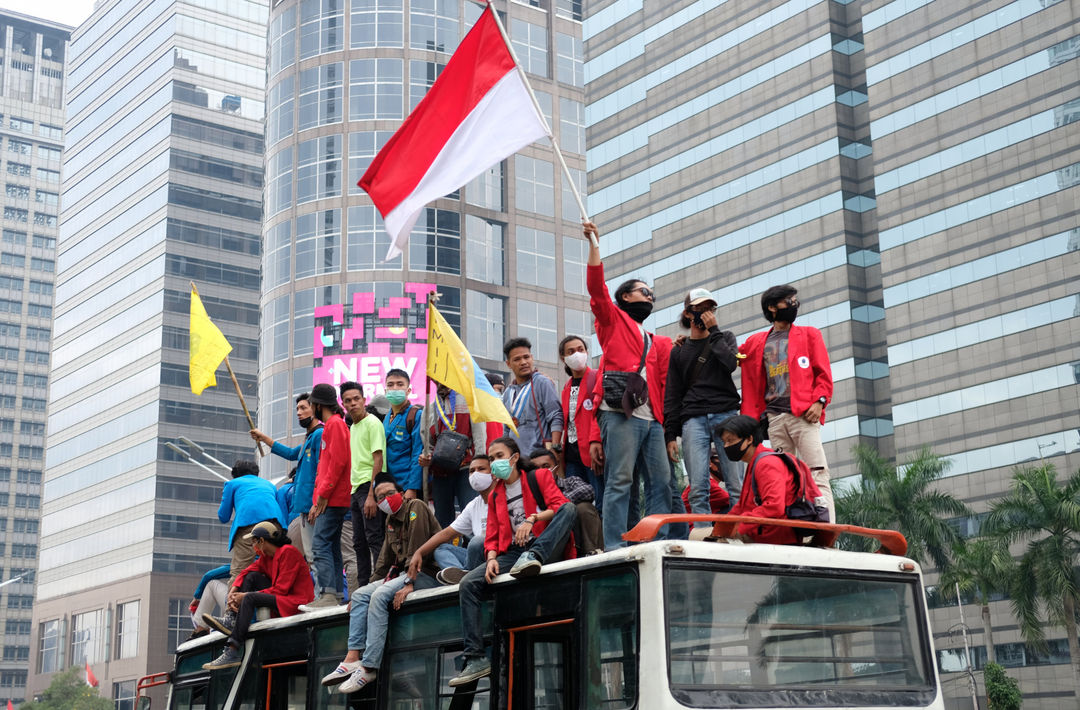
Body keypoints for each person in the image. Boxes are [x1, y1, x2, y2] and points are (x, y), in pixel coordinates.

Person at [582, 221, 680, 550]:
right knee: (620, 480)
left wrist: (668, 432)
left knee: (662, 482)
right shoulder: (612, 319)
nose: (649, 297)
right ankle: (614, 545)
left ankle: (655, 541)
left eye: (652, 294)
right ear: (626, 296)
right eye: (643, 292)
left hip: (652, 419)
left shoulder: (655, 340)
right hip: (619, 412)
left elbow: (665, 384)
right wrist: (595, 245)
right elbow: (597, 290)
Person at [449, 437, 577, 687]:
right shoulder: (496, 493)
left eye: (499, 456)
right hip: (514, 554)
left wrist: (532, 519)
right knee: (468, 584)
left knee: (570, 510)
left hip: (544, 544)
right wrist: (491, 559)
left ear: (514, 457)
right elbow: (493, 535)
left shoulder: (537, 477)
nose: (495, 462)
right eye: (492, 457)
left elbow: (559, 507)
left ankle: (535, 556)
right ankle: (475, 657)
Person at [320, 475, 441, 694]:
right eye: (380, 497)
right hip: (403, 574)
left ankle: (369, 666)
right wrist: (363, 592)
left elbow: (417, 552)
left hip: (426, 572)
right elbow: (384, 562)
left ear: (401, 494)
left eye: (389, 494)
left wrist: (409, 584)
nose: (385, 499)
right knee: (360, 596)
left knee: (380, 596)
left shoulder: (416, 507)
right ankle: (352, 658)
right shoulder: (390, 520)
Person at [738, 285, 835, 522]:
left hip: (803, 416)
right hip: (774, 419)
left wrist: (819, 402)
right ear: (772, 308)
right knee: (784, 477)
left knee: (817, 472)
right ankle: (793, 529)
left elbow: (823, 373)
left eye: (794, 299)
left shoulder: (810, 335)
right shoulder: (755, 342)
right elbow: (732, 354)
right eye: (788, 301)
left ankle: (827, 527)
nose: (794, 304)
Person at [664, 288, 743, 522]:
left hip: (726, 414)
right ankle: (702, 533)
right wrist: (670, 434)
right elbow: (672, 393)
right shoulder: (679, 350)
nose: (706, 312)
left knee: (735, 484)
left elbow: (731, 364)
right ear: (689, 314)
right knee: (698, 486)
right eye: (700, 308)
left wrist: (715, 331)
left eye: (710, 307)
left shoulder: (725, 337)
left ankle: (740, 534)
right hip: (693, 419)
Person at [202, 522, 315, 669]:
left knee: (249, 598)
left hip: (296, 602)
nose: (253, 546)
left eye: (254, 541)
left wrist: (245, 595)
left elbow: (281, 590)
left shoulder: (288, 552)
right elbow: (245, 572)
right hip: (282, 597)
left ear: (262, 541)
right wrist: (233, 590)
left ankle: (232, 651)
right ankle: (232, 618)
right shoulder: (266, 558)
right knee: (251, 577)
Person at [717, 415, 823, 545]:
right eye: (724, 442)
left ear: (749, 439)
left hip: (771, 536)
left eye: (730, 440)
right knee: (708, 536)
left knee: (697, 537)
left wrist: (738, 527)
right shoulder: (756, 462)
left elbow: (774, 507)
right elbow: (742, 507)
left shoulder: (766, 464)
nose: (726, 446)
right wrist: (724, 525)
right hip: (760, 532)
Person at [250, 393, 322, 560]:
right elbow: (290, 453)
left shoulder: (320, 435)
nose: (298, 412)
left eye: (303, 408)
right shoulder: (309, 438)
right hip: (303, 508)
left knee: (314, 554)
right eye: (297, 408)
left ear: (316, 409)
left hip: (313, 507)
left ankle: (323, 587)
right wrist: (263, 438)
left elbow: (323, 470)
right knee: (303, 554)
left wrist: (317, 501)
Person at [408, 455, 496, 585]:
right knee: (441, 549)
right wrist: (419, 552)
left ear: (493, 474)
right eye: (472, 471)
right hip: (476, 558)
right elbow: (446, 534)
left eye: (481, 469)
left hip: (495, 554)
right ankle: (461, 575)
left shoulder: (503, 497)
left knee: (477, 542)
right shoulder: (473, 505)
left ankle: (466, 575)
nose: (476, 474)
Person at [303, 382, 351, 609]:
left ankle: (327, 594)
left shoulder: (335, 425)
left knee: (320, 544)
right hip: (331, 496)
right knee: (330, 545)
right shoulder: (333, 425)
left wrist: (322, 496)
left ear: (318, 404)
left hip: (332, 498)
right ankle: (335, 595)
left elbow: (337, 463)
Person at [420, 382, 488, 527]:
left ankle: (471, 548)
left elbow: (479, 437)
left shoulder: (470, 401)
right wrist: (427, 457)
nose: (441, 382)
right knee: (442, 520)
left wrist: (479, 466)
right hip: (440, 472)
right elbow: (427, 443)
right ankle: (445, 549)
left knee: (470, 514)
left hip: (466, 468)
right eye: (437, 379)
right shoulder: (429, 409)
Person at [341, 380, 388, 591]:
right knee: (358, 542)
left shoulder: (372, 423)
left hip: (369, 487)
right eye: (348, 401)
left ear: (364, 400)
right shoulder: (353, 427)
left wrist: (371, 494)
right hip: (355, 489)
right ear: (343, 404)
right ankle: (362, 586)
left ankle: (379, 582)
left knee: (374, 537)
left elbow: (378, 459)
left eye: (356, 399)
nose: (353, 404)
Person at [217, 460, 285, 585]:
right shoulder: (270, 485)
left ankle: (233, 603)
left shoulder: (232, 484)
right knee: (275, 570)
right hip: (275, 527)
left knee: (239, 573)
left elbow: (223, 516)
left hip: (248, 528)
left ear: (235, 474)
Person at [557, 335, 603, 509]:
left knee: (600, 501)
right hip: (571, 457)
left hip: (592, 453)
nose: (577, 354)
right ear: (563, 358)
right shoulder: (566, 388)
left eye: (580, 350)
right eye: (571, 351)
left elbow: (599, 414)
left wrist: (596, 441)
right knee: (574, 505)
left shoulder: (596, 377)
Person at [530, 448, 603, 556]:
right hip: (550, 545)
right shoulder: (529, 492)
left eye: (546, 466)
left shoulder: (570, 482)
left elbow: (588, 491)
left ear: (556, 467)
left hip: (577, 538)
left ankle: (592, 552)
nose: (542, 471)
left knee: (583, 507)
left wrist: (557, 504)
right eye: (536, 468)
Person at [500, 337, 563, 454]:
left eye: (526, 357)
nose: (523, 362)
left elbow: (555, 416)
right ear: (508, 364)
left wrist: (555, 449)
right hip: (517, 459)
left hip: (540, 456)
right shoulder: (508, 393)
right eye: (517, 359)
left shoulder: (543, 383)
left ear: (532, 358)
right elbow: (507, 429)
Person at [382, 369, 424, 498]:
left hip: (407, 485)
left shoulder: (416, 415)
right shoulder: (386, 418)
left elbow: (418, 452)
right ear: (385, 391)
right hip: (389, 486)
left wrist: (412, 487)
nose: (394, 388)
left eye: (400, 384)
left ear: (408, 390)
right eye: (390, 385)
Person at [188, 564, 230, 641]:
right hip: (252, 604)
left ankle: (201, 628)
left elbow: (208, 576)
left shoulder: (246, 559)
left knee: (211, 584)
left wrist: (197, 597)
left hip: (238, 605)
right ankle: (202, 628)